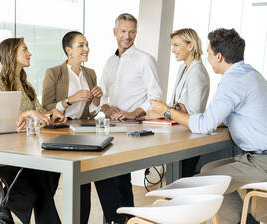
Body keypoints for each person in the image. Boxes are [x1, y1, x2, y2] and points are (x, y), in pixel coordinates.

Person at [151, 28, 267, 224]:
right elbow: (228, 116)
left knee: (205, 181)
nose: (208, 57)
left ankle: (241, 221)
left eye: (209, 53)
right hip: (255, 156)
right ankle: (243, 220)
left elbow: (205, 125)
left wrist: (167, 111)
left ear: (219, 56)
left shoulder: (232, 81)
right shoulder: (251, 74)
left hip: (261, 161)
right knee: (206, 170)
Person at [42, 31, 123, 224]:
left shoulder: (90, 73)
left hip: (85, 129)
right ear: (68, 50)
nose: (86, 49)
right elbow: (46, 107)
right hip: (62, 132)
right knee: (80, 182)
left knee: (100, 172)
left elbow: (93, 111)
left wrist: (96, 100)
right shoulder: (53, 73)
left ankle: (116, 219)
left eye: (87, 45)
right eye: (81, 45)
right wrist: (69, 100)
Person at [0, 37, 66, 224]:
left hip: (29, 149)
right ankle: (3, 202)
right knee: (39, 192)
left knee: (48, 178)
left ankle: (3, 202)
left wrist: (51, 114)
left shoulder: (26, 85)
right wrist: (29, 113)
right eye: (25, 49)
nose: (30, 53)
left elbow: (37, 115)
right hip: (5, 152)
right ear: (11, 54)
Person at [98, 13, 162, 219]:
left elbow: (156, 96)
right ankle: (119, 219)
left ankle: (123, 219)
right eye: (124, 31)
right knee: (110, 175)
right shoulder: (109, 62)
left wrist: (133, 113)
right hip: (110, 126)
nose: (128, 36)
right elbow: (102, 95)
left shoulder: (145, 59)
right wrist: (107, 108)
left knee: (119, 177)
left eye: (132, 31)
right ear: (115, 32)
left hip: (133, 127)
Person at [169, 28, 210, 177]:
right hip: (179, 133)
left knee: (182, 178)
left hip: (190, 137)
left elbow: (195, 114)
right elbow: (175, 101)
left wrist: (179, 110)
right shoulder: (183, 68)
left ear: (190, 46)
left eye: (176, 45)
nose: (173, 50)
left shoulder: (197, 72)